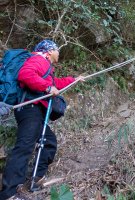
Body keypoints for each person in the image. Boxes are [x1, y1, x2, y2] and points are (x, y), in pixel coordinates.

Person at [0, 40, 84, 200]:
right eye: (57, 49)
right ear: (49, 51)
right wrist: (46, 88)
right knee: (24, 147)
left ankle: (36, 178)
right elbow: (25, 75)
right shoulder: (38, 60)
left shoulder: (46, 67)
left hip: (35, 111)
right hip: (30, 109)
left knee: (49, 142)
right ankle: (8, 193)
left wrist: (74, 79)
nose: (59, 52)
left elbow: (55, 84)